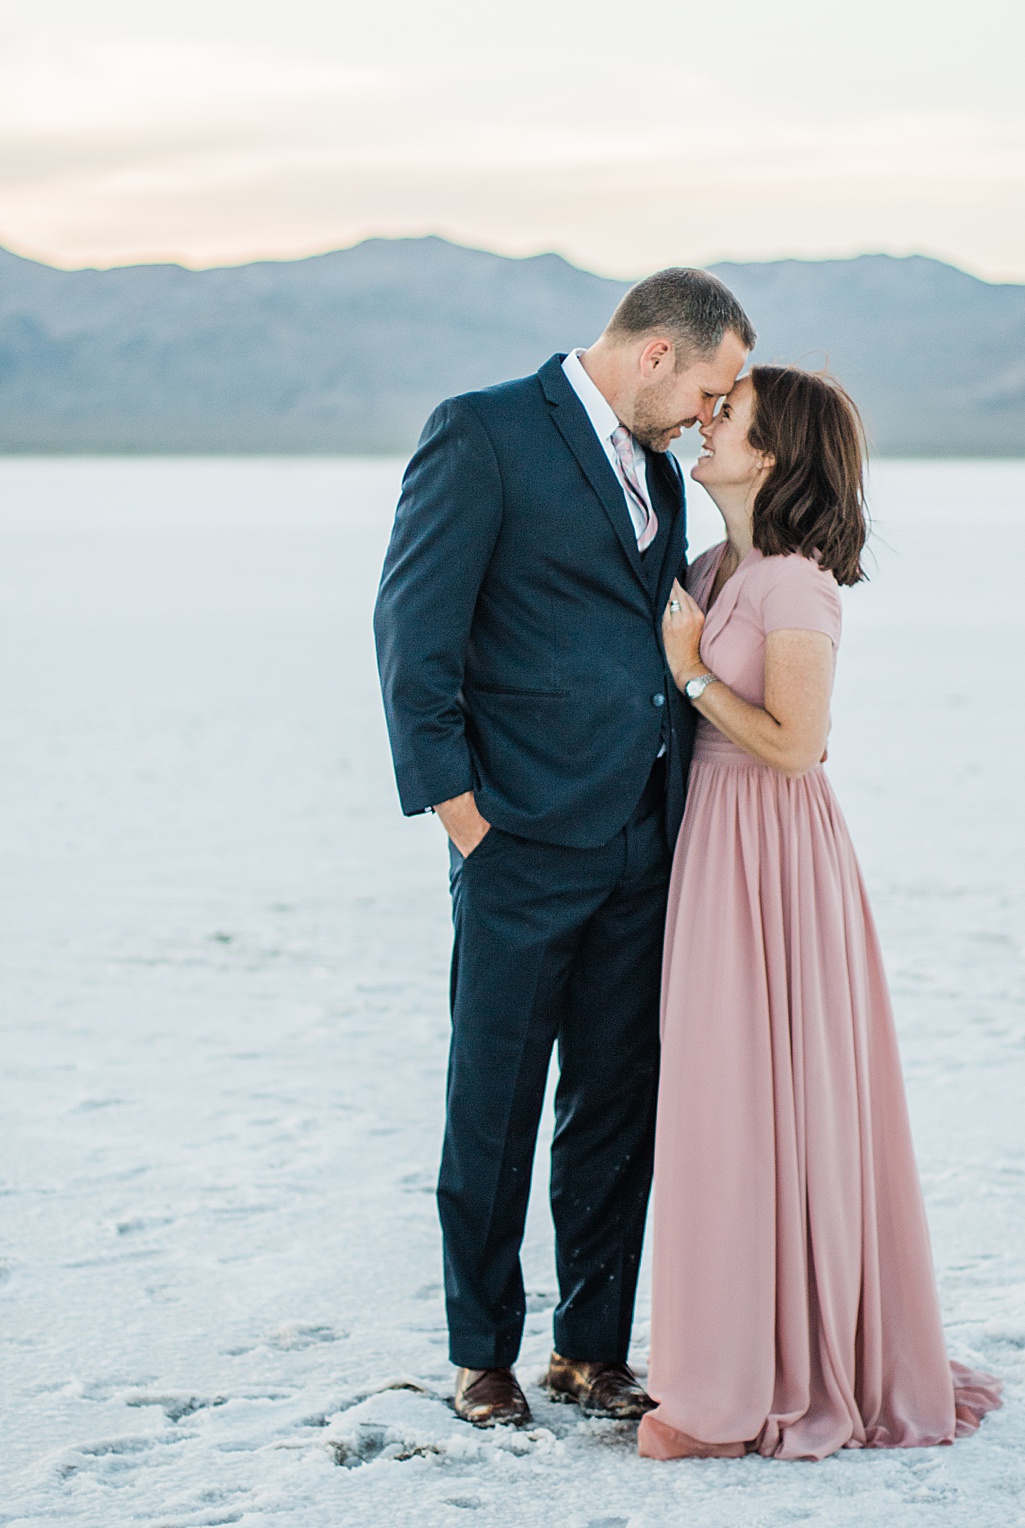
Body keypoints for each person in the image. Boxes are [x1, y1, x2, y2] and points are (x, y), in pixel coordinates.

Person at [374, 269, 753, 1428]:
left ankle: (588, 1348)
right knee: (492, 1103)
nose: (709, 414)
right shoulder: (483, 433)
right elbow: (411, 633)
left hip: (647, 837)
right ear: (653, 355)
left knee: (615, 1105)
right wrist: (465, 818)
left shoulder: (658, 469)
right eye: (708, 386)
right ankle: (480, 1352)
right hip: (521, 840)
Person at [639, 365, 1002, 1460]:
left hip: (771, 852)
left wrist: (692, 675)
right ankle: (733, 1353)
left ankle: (770, 1380)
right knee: (721, 1101)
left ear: (776, 454)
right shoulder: (715, 563)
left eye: (728, 416)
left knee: (763, 1099)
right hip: (712, 843)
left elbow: (799, 746)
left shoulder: (794, 584)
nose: (706, 424)